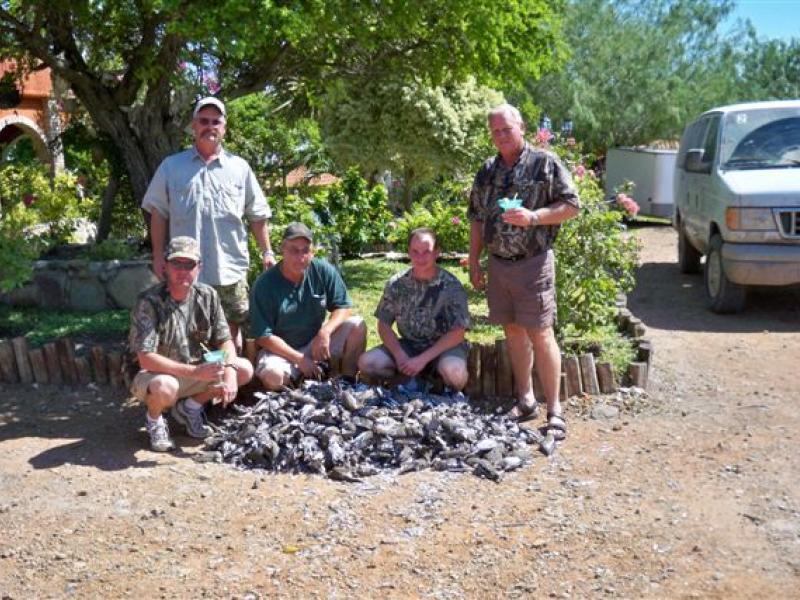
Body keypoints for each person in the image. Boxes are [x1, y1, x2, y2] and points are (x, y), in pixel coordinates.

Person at [468, 103, 580, 439]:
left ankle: (555, 409)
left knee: (541, 333)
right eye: (495, 131)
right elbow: (476, 217)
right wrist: (474, 260)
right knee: (513, 332)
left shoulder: (544, 163)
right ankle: (525, 399)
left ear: (521, 127)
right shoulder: (487, 170)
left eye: (506, 129)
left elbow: (571, 206)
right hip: (499, 266)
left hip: (533, 264)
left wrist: (534, 217)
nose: (501, 135)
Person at [141, 96, 276, 349]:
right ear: (194, 125)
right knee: (185, 331)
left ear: (224, 128)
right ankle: (197, 384)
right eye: (204, 121)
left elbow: (257, 214)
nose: (210, 126)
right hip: (184, 270)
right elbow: (158, 213)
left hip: (230, 267)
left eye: (216, 121)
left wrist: (267, 252)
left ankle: (230, 383)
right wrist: (158, 255)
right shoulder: (172, 167)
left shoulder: (240, 168)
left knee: (231, 331)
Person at [129, 236, 254, 452]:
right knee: (165, 387)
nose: (183, 270)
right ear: (165, 266)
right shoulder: (149, 302)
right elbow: (145, 358)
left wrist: (230, 372)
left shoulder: (207, 296)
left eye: (189, 264)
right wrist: (195, 372)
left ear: (199, 268)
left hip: (196, 371)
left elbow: (225, 340)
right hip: (155, 375)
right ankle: (154, 420)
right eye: (176, 263)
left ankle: (191, 407)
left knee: (243, 369)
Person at [250, 222, 367, 390]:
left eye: (305, 250)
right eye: (293, 250)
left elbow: (343, 307)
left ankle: (347, 381)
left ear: (312, 252)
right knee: (273, 376)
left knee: (357, 325)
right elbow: (263, 336)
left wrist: (325, 331)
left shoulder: (322, 270)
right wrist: (299, 359)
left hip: (315, 343)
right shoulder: (265, 284)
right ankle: (296, 387)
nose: (300, 256)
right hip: (281, 351)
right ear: (282, 250)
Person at [358, 227, 469, 391]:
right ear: (408, 252)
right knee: (367, 363)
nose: (420, 257)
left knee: (455, 373)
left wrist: (423, 359)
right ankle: (411, 380)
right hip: (409, 347)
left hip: (443, 348)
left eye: (426, 251)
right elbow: (384, 325)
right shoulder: (396, 284)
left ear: (437, 252)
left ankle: (437, 385)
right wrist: (399, 355)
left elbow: (458, 333)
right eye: (415, 251)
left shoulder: (452, 286)